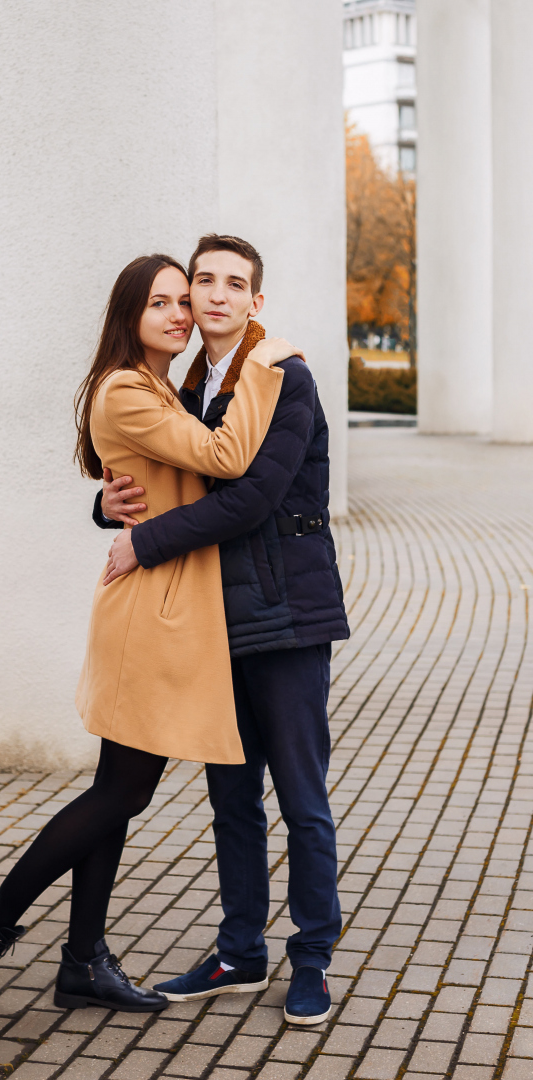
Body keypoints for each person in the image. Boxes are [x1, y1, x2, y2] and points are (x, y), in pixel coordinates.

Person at [0, 253, 292, 1013]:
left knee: (119, 791)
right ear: (129, 316)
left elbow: (164, 485)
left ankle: (83, 961)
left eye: (182, 301)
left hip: (162, 607)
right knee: (123, 791)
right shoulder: (127, 389)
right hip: (151, 615)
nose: (179, 313)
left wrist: (110, 505)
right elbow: (224, 457)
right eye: (161, 303)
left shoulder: (155, 388)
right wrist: (265, 359)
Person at [97, 234, 350, 1026]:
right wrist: (107, 506)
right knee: (231, 798)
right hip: (216, 623)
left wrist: (142, 542)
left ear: (255, 301)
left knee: (302, 798)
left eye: (231, 284)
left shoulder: (285, 377)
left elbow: (248, 499)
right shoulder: (185, 388)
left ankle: (312, 958)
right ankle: (240, 951)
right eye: (201, 280)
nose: (212, 295)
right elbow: (164, 474)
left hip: (287, 616)